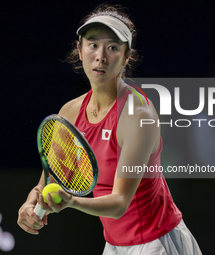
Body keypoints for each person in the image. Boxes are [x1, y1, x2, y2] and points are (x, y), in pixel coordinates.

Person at [17, 4, 202, 255]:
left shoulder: (137, 115)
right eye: (93, 44)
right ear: (80, 50)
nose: (101, 56)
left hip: (157, 242)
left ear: (126, 57)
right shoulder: (69, 113)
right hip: (115, 245)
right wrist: (30, 203)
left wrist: (71, 201)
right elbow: (50, 179)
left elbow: (119, 203)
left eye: (113, 47)